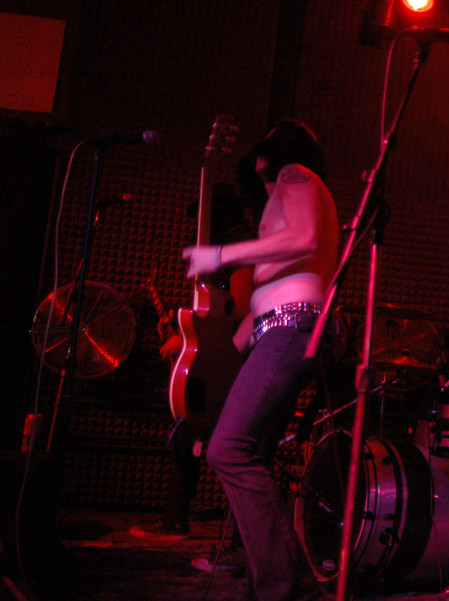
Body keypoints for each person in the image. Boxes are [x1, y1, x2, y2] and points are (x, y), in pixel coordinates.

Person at [183, 120, 339, 601]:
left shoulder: (296, 175)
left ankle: (286, 590)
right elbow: (262, 305)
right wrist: (220, 363)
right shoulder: (284, 197)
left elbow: (305, 237)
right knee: (250, 453)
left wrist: (221, 254)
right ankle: (280, 585)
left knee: (229, 450)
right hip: (279, 330)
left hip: (291, 328)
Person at [131, 184, 253, 576]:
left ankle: (235, 542)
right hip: (215, 356)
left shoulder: (241, 250)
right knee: (187, 435)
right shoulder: (222, 251)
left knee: (228, 446)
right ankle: (175, 522)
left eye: (204, 214)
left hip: (229, 361)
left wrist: (192, 335)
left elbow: (240, 311)